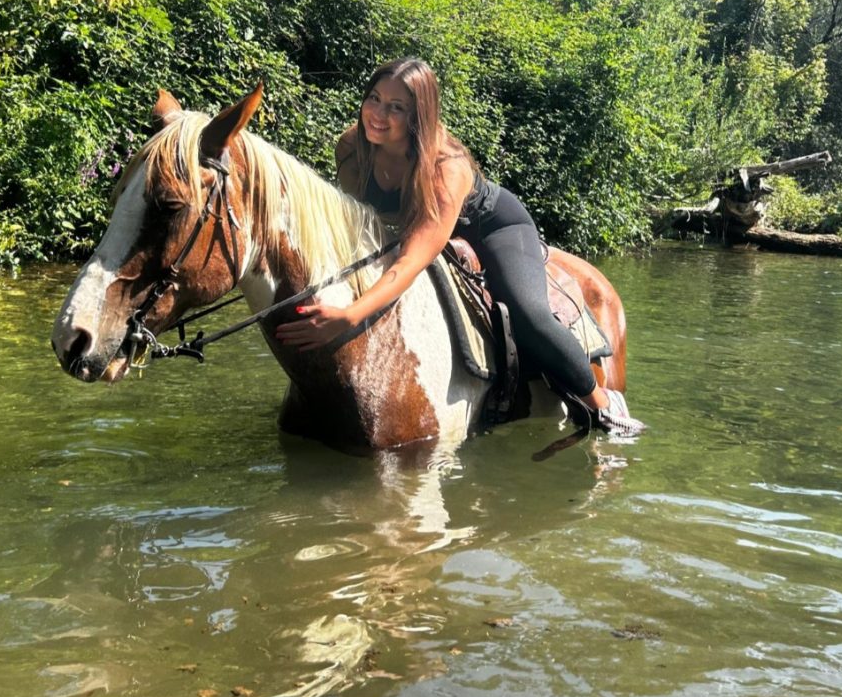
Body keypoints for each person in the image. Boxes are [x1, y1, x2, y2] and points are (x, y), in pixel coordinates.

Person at [275, 57, 644, 436]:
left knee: (528, 314)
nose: (378, 114)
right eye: (374, 99)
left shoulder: (445, 167)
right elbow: (354, 226)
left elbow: (411, 261)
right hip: (411, 226)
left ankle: (603, 408)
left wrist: (351, 316)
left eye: (396, 107)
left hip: (490, 226)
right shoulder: (353, 147)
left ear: (419, 115)